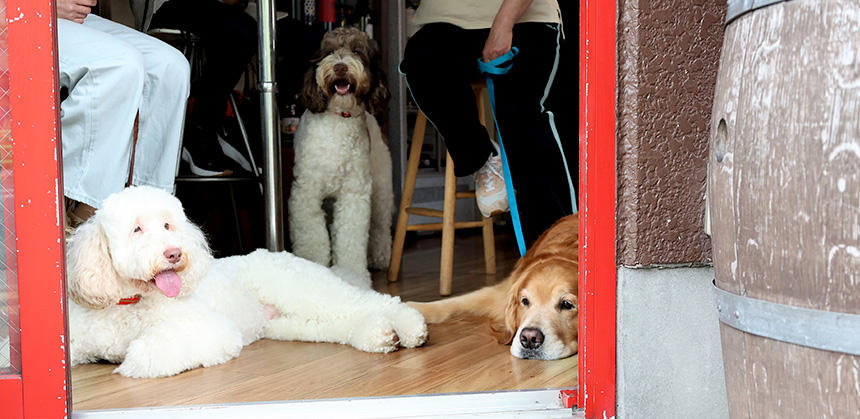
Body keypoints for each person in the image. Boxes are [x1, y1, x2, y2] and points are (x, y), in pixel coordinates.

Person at [400, 0, 576, 247]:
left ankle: (559, 254)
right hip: (443, 22)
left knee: (523, 123)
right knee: (423, 60)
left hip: (526, 21)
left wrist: (503, 23)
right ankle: (482, 157)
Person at [56, 0, 190, 225]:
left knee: (169, 66)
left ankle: (142, 215)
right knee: (118, 64)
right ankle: (78, 217)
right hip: (16, 14)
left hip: (59, 13)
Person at [143, 0, 258, 177]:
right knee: (242, 29)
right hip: (169, 7)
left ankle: (238, 126)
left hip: (235, 9)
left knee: (296, 32)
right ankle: (201, 127)